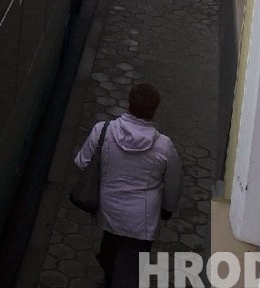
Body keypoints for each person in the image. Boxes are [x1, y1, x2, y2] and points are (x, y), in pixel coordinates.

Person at [75, 83, 182, 288]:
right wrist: (168, 209)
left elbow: (81, 162)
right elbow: (174, 184)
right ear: (154, 110)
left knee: (110, 246)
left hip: (108, 211)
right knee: (131, 268)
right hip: (142, 221)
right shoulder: (164, 146)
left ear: (129, 104)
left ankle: (108, 275)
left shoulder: (103, 131)